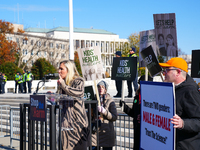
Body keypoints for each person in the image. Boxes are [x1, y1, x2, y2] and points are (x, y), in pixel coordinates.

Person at [159, 57, 200, 150]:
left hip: (186, 146)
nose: (163, 73)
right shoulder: (173, 89)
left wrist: (183, 123)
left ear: (178, 72)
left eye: (167, 70)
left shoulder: (190, 91)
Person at [57, 60, 89, 150]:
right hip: (65, 124)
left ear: (69, 70)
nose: (59, 71)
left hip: (77, 126)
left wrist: (63, 85)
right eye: (59, 69)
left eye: (61, 69)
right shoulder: (62, 83)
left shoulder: (78, 81)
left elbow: (79, 93)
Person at [119, 75, 153, 150]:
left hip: (147, 132)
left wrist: (145, 117)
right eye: (140, 84)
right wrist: (125, 107)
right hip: (137, 129)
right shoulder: (137, 97)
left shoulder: (152, 98)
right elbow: (133, 113)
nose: (141, 86)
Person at [91, 80, 117, 150]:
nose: (100, 89)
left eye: (102, 87)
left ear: (105, 89)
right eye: (99, 87)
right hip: (95, 133)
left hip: (106, 132)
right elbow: (90, 116)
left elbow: (114, 117)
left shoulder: (110, 101)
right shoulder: (93, 100)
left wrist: (104, 111)